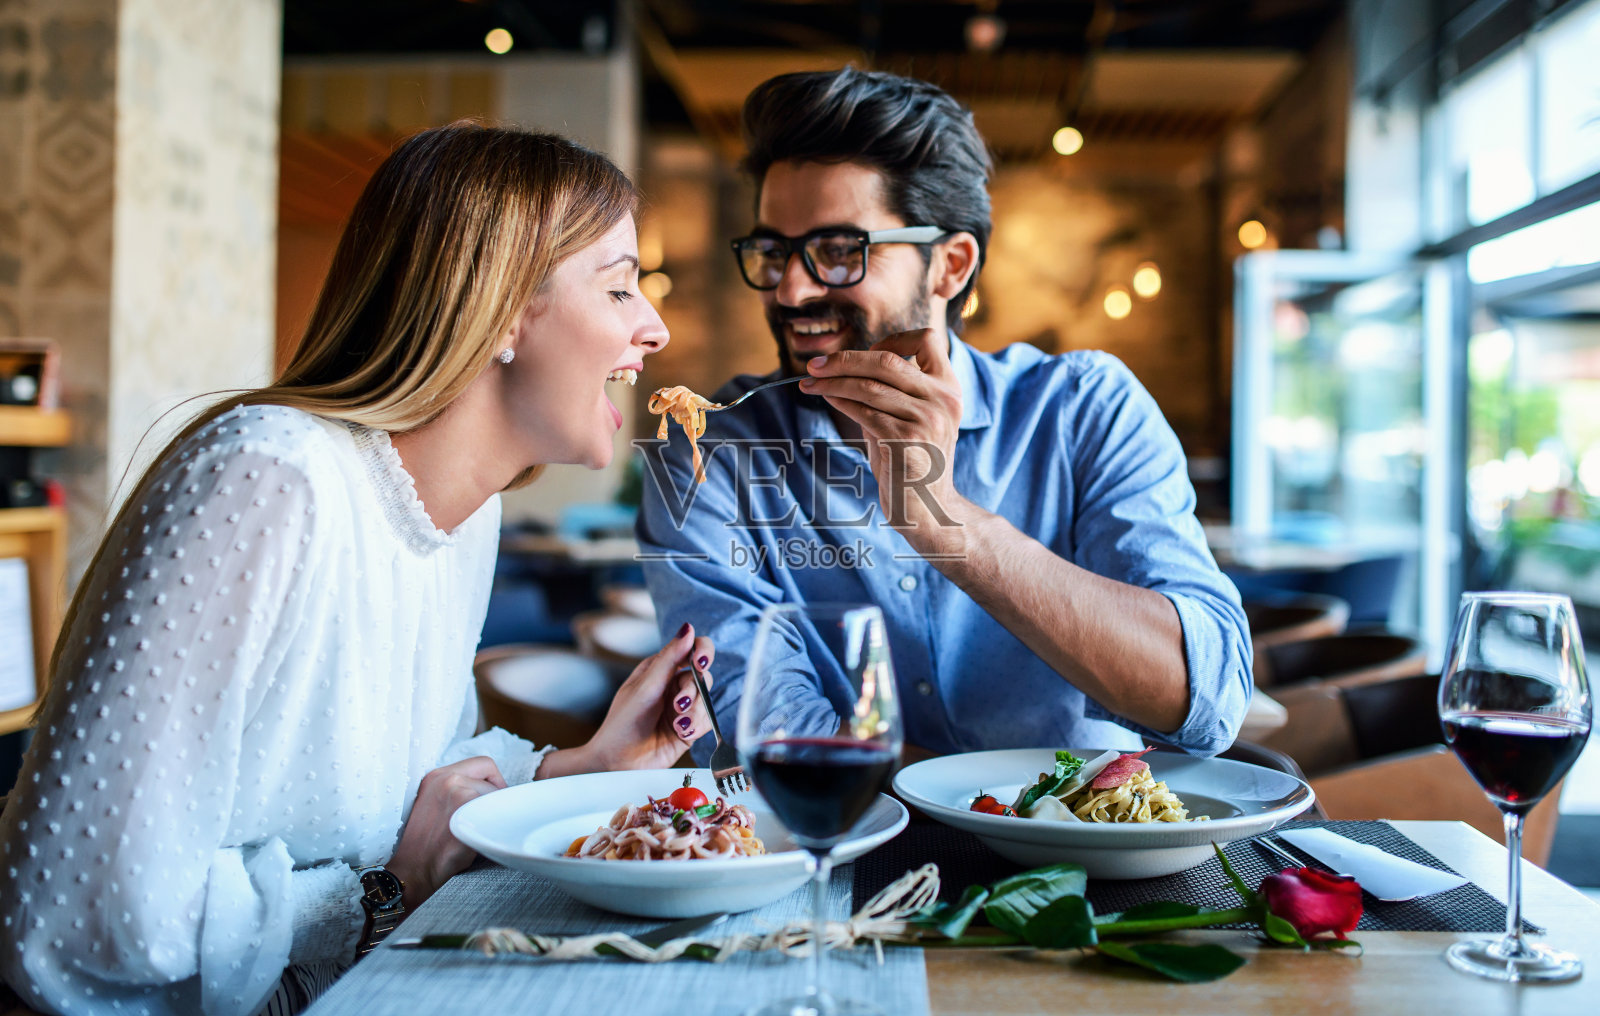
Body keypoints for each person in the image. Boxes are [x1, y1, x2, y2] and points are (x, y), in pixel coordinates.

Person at [0, 124, 717, 1016]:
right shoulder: (267, 477)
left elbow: (416, 778)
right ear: (499, 311)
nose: (652, 327)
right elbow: (81, 919)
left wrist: (579, 769)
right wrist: (382, 889)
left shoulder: (466, 516)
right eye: (618, 287)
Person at [637, 68, 1250, 760]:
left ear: (950, 266)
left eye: (840, 252)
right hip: (841, 855)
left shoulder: (1083, 410)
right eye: (775, 252)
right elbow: (760, 735)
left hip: (1082, 857)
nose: (792, 289)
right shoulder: (705, 454)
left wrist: (947, 520)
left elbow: (1208, 702)